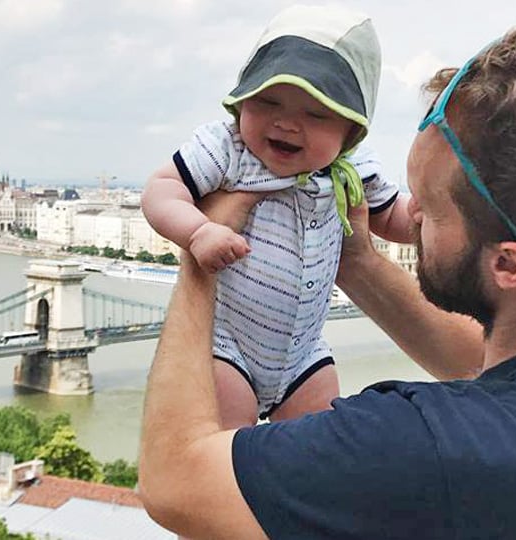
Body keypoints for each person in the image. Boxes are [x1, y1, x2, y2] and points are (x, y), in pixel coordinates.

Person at [139, 24, 516, 540]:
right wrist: (357, 259)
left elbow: (173, 482)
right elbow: (482, 358)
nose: (413, 212)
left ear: (508, 265)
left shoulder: (419, 448)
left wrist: (201, 255)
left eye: (432, 206)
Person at [141, 5, 413, 429]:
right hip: (228, 347)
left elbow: (393, 217)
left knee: (313, 452)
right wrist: (198, 231)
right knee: (228, 457)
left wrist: (439, 215)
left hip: (305, 356)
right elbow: (160, 190)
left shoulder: (353, 168)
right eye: (267, 101)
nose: (286, 122)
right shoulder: (229, 149)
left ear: (351, 131)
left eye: (316, 113)